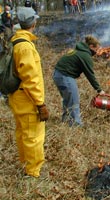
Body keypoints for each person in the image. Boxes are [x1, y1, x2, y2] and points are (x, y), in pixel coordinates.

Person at [9, 6, 49, 178]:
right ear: (32, 23)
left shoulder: (15, 41)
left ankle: (25, 164)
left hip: (18, 97)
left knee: (23, 132)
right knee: (34, 136)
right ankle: (33, 172)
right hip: (28, 100)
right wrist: (40, 103)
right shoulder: (25, 47)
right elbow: (31, 79)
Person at [53, 35, 105, 127]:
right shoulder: (85, 55)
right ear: (91, 46)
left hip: (58, 75)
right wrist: (99, 89)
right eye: (96, 49)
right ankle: (75, 125)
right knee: (73, 100)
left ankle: (65, 121)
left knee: (68, 99)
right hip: (65, 76)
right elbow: (90, 74)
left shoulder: (78, 50)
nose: (97, 52)